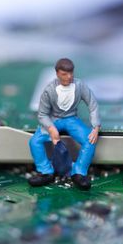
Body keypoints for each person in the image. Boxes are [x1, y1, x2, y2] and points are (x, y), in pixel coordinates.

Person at [28, 58, 101, 190]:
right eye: (64, 74)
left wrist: (96, 127)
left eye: (71, 73)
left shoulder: (80, 86)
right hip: (53, 120)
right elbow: (42, 114)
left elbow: (93, 105)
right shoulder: (49, 90)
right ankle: (45, 171)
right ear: (57, 74)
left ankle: (79, 172)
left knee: (89, 140)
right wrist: (50, 128)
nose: (68, 77)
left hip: (72, 119)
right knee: (34, 141)